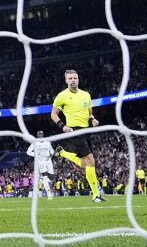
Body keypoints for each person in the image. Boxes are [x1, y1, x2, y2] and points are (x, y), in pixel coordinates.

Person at [50, 69, 106, 203]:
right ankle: (96, 194)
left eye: (75, 78)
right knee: (91, 160)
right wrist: (63, 126)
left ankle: (62, 153)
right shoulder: (62, 96)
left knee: (85, 164)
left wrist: (93, 119)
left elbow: (89, 112)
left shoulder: (86, 95)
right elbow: (53, 114)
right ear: (66, 80)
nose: (73, 80)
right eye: (70, 78)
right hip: (73, 131)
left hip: (86, 130)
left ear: (78, 79)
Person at [26, 130, 56, 200]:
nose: (40, 136)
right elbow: (28, 152)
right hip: (41, 161)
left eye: (41, 134)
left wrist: (52, 153)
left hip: (48, 160)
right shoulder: (35, 143)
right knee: (45, 176)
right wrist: (35, 155)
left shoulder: (47, 142)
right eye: (39, 135)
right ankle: (49, 194)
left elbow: (51, 150)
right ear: (37, 136)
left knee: (51, 177)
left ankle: (43, 181)